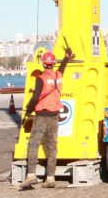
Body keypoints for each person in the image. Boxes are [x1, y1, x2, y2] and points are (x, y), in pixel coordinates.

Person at [20, 47, 73, 189]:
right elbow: (63, 67)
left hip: (41, 115)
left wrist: (28, 111)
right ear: (53, 63)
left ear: (43, 64)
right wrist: (67, 56)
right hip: (55, 116)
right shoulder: (58, 76)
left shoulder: (40, 79)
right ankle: (50, 178)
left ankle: (31, 175)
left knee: (33, 143)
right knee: (52, 146)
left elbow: (35, 98)